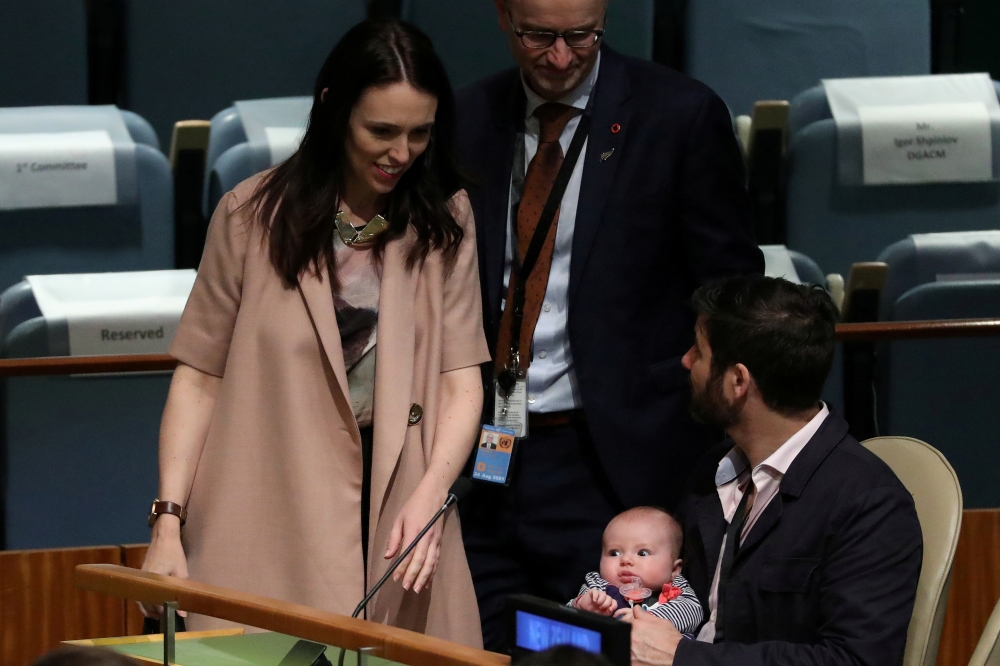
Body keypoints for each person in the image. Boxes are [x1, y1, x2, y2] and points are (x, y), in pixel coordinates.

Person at [140, 20, 490, 646]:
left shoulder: (446, 221)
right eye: (381, 131)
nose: (401, 153)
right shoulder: (249, 216)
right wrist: (168, 521)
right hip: (267, 506)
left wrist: (432, 497)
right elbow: (198, 379)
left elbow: (461, 381)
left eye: (419, 133)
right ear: (333, 107)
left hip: (398, 512)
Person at [454, 0, 764, 648]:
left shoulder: (676, 115)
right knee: (484, 640)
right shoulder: (469, 117)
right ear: (504, 17)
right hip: (490, 449)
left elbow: (731, 285)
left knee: (589, 649)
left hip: (613, 455)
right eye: (540, 36)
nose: (561, 57)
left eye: (582, 36)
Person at [626, 275, 923, 666]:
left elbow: (856, 660)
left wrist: (683, 657)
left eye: (699, 351)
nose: (686, 361)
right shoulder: (713, 470)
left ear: (737, 381)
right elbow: (684, 600)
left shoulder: (870, 503)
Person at [571, 507, 702, 637]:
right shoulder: (597, 586)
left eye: (642, 553)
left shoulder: (676, 588)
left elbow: (693, 612)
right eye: (614, 553)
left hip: (662, 653)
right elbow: (566, 614)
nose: (626, 559)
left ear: (674, 569)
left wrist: (648, 618)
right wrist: (581, 606)